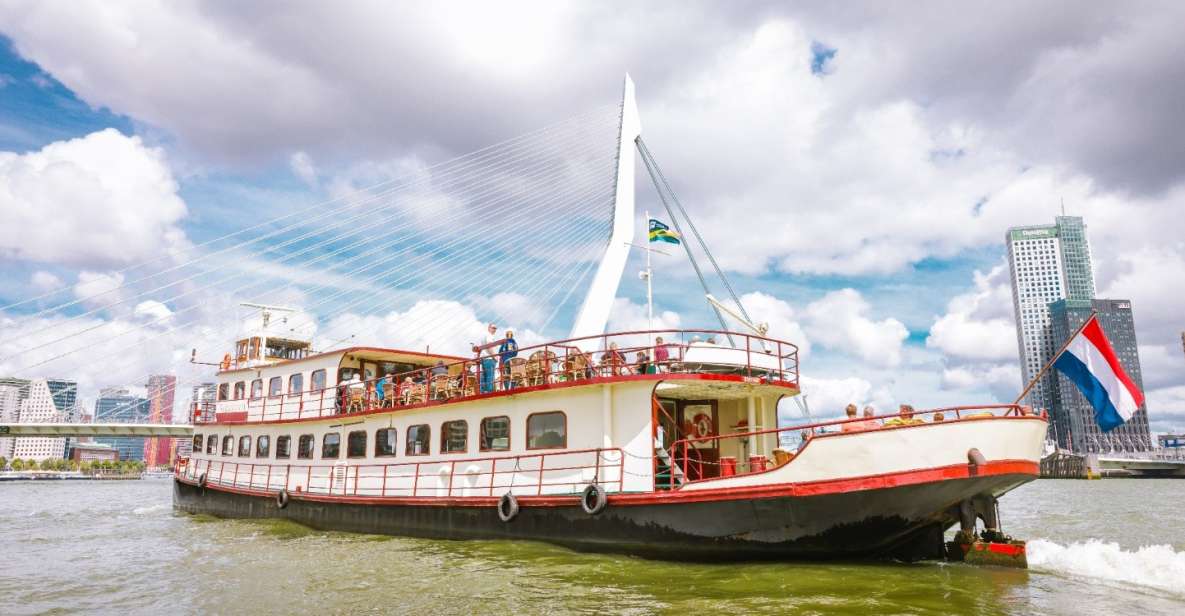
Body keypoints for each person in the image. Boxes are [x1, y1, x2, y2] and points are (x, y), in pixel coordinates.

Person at [478, 323, 499, 393]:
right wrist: (495, 356)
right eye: (493, 328)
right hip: (490, 359)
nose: (494, 330)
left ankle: (483, 391)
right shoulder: (489, 336)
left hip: (484, 358)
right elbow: (489, 346)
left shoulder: (484, 336)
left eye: (495, 328)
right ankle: (489, 392)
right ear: (489, 328)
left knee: (484, 376)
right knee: (490, 376)